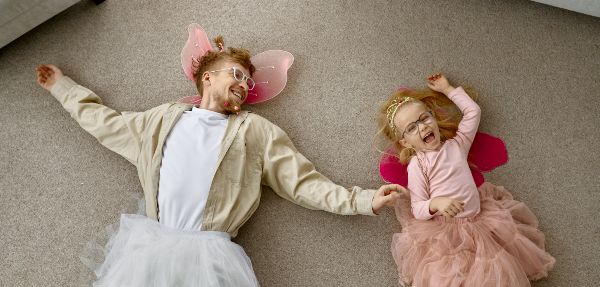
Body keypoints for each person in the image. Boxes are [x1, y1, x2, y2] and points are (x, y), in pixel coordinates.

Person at [35, 36, 403, 286]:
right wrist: (63, 88)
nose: (244, 85)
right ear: (207, 78)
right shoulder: (162, 119)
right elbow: (107, 124)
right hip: (149, 245)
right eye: (237, 75)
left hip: (207, 254)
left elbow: (302, 182)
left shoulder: (256, 131)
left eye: (248, 82)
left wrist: (362, 200)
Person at [377, 73, 555, 287]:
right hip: (447, 232)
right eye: (412, 128)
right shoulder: (419, 165)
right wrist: (436, 203)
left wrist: (448, 89)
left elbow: (473, 112)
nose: (422, 127)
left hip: (480, 219)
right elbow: (418, 208)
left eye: (424, 118)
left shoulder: (457, 144)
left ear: (433, 118)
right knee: (454, 274)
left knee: (492, 267)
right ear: (405, 142)